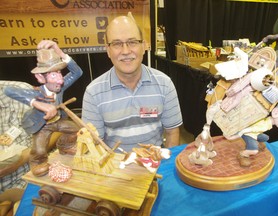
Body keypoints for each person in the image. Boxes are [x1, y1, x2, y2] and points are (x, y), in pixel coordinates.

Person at [82, 15, 183, 152]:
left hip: (154, 166)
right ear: (108, 50)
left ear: (144, 45)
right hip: (115, 170)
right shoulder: (93, 93)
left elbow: (172, 133)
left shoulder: (165, 84)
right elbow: (94, 144)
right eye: (117, 44)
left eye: (132, 42)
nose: (126, 51)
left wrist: (168, 167)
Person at [4, 40, 83, 176]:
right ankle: (38, 163)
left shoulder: (60, 87)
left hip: (58, 120)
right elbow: (8, 90)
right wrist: (36, 103)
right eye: (53, 75)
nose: (60, 79)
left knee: (75, 129)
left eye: (59, 73)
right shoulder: (36, 92)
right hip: (42, 125)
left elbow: (77, 72)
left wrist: (58, 51)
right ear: (41, 78)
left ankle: (65, 146)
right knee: (40, 149)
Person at [226, 101, 278, 167]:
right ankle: (243, 155)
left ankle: (257, 144)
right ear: (276, 113)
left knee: (265, 137)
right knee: (254, 151)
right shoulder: (264, 125)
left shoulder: (268, 121)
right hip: (248, 134)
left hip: (255, 133)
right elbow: (247, 130)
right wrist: (237, 135)